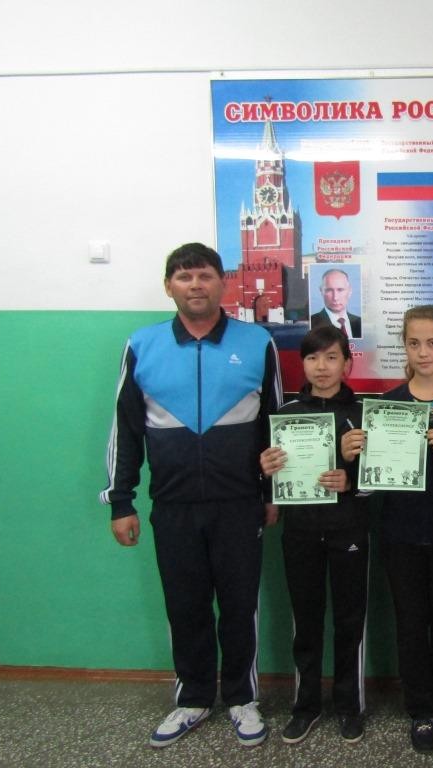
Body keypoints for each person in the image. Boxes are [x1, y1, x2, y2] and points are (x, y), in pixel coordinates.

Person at [99, 242, 282, 748]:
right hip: (173, 505)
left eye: (204, 275)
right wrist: (120, 501)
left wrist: (273, 493)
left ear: (223, 283)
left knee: (240, 605)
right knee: (186, 605)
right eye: (184, 277)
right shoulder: (142, 345)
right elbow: (125, 430)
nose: (195, 285)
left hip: (240, 504)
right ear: (169, 287)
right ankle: (193, 698)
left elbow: (275, 425)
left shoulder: (258, 342)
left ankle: (242, 697)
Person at [343, 305, 433, 753]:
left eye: (432, 343)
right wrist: (354, 457)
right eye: (413, 343)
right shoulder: (387, 406)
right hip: (401, 533)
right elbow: (368, 483)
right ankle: (421, 709)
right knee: (410, 624)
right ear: (404, 347)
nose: (423, 352)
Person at [258, 325, 369, 746]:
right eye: (312, 358)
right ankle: (305, 706)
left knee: (349, 621)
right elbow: (270, 476)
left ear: (347, 363)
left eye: (331, 357)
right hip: (300, 531)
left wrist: (352, 481)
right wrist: (266, 470)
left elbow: (381, 478)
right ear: (302, 364)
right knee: (305, 622)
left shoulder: (362, 413)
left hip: (349, 530)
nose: (321, 367)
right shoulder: (285, 416)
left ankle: (349, 706)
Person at [310, 268, 362, 338]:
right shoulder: (311, 323)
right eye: (329, 290)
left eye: (340, 290)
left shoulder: (360, 323)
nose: (335, 297)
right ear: (321, 291)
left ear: (349, 291)